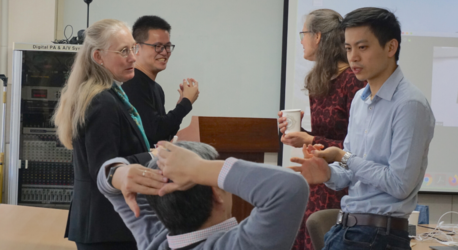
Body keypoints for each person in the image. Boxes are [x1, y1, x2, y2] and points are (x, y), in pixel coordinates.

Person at [289, 7, 435, 249]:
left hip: (378, 236)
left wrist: (343, 157)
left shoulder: (410, 105)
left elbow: (400, 185)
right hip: (345, 229)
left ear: (391, 47)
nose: (353, 57)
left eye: (362, 47)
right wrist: (327, 173)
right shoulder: (360, 100)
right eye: (348, 48)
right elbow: (348, 174)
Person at [53, 19, 159, 250]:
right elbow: (104, 169)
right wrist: (152, 156)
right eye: (124, 51)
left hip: (107, 226)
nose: (133, 57)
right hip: (106, 228)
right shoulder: (102, 102)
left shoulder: (111, 95)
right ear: (98, 57)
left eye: (133, 48)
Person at [96, 141, 309, 250]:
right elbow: (289, 187)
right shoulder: (241, 244)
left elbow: (108, 183)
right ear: (217, 191)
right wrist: (198, 168)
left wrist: (119, 173)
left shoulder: (156, 238)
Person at [277, 9, 365, 250]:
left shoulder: (353, 81)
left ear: (317, 37)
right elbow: (325, 138)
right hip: (317, 182)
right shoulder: (319, 79)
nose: (301, 40)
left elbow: (357, 147)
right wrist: (300, 135)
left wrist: (311, 137)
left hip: (343, 184)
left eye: (303, 33)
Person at [122, 15, 199, 147]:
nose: (164, 52)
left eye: (168, 46)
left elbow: (163, 135)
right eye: (157, 46)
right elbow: (155, 133)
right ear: (136, 48)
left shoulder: (157, 89)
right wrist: (185, 104)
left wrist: (180, 104)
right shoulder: (132, 83)